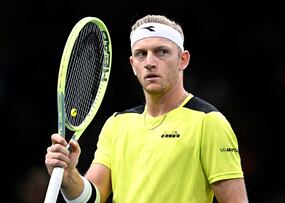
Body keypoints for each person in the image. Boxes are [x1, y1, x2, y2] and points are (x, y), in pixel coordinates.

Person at [45, 14, 249, 203]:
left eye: (162, 52)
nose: (150, 62)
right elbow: (92, 198)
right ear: (133, 65)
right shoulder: (117, 125)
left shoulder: (209, 122)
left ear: (183, 59)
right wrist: (69, 175)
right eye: (141, 54)